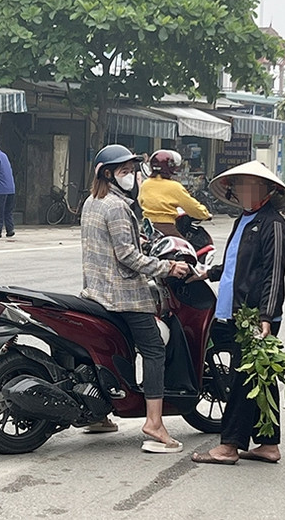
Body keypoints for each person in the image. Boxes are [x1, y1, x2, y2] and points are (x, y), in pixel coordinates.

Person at [80, 144, 190, 453]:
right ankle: (154, 422)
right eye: (125, 171)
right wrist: (168, 266)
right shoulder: (116, 206)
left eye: (132, 170)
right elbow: (127, 256)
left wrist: (140, 240)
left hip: (95, 291)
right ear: (108, 174)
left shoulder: (92, 202)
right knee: (154, 349)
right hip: (123, 295)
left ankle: (98, 415)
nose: (131, 176)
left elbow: (114, 242)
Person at [188, 161, 285, 465]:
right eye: (239, 186)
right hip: (233, 310)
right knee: (263, 377)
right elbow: (235, 267)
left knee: (241, 379)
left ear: (268, 190)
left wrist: (266, 318)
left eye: (250, 185)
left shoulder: (273, 224)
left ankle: (229, 446)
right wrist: (207, 273)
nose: (242, 191)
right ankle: (268, 445)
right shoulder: (244, 220)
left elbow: (274, 275)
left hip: (254, 316)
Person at [138, 149, 211, 238]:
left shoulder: (146, 183)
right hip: (166, 228)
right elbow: (191, 206)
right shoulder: (175, 186)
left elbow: (140, 201)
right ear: (171, 167)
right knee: (186, 249)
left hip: (146, 228)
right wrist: (205, 214)